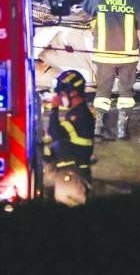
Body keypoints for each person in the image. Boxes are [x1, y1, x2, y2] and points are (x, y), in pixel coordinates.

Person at [82, 0, 140, 140]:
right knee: (126, 91)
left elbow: (86, 12)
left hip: (104, 53)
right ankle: (122, 129)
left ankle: (99, 127)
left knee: (103, 90)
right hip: (127, 54)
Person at [46, 70, 95, 206]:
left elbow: (54, 132)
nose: (60, 98)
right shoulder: (77, 113)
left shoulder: (80, 115)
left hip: (72, 175)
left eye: (61, 94)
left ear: (72, 93)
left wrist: (54, 109)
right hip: (72, 173)